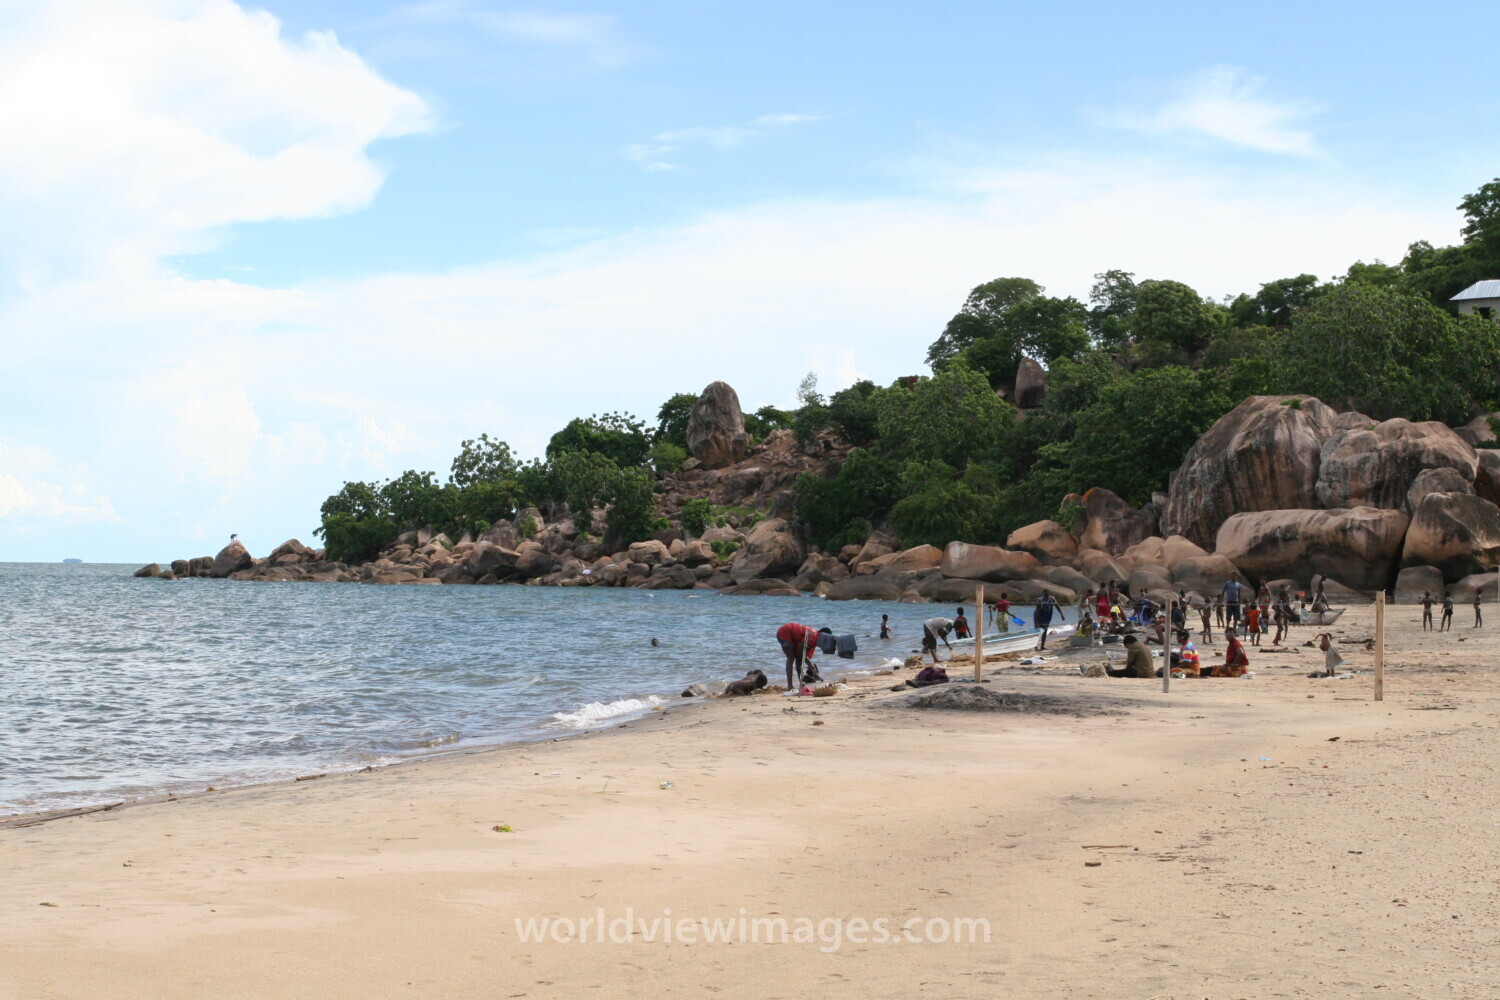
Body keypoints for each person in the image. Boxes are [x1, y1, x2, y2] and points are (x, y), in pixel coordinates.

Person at [776, 623, 831, 690]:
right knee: (790, 658)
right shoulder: (813, 636)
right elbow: (800, 652)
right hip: (784, 632)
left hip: (791, 635)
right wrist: (809, 663)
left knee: (799, 659)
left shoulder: (814, 639)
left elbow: (800, 656)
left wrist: (816, 675)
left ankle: (801, 684)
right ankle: (790, 686)